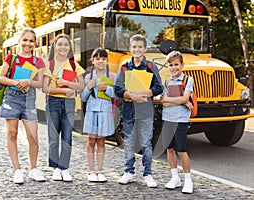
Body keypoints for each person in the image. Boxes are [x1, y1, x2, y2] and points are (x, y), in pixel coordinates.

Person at [114, 34, 163, 187]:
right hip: (129, 111)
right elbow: (117, 88)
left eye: (140, 47)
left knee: (146, 143)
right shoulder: (124, 67)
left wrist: (145, 93)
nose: (137, 49)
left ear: (145, 49)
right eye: (134, 47)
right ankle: (129, 171)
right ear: (130, 49)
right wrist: (132, 96)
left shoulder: (150, 67)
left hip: (146, 111)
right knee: (129, 142)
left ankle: (148, 174)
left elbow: (158, 87)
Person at [0, 28, 46, 184]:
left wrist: (29, 82)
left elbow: (41, 83)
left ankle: (33, 169)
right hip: (11, 99)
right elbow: (1, 78)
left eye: (31, 41)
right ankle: (17, 170)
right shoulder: (11, 58)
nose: (28, 43)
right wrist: (16, 83)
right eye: (25, 40)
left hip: (29, 100)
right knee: (12, 133)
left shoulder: (38, 62)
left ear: (35, 44)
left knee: (33, 135)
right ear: (19, 41)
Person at [42, 34, 85, 182]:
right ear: (55, 46)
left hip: (69, 104)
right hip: (53, 102)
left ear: (70, 47)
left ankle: (64, 168)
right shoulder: (50, 65)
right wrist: (63, 91)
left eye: (66, 44)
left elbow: (81, 85)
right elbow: (45, 88)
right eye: (60, 44)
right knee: (53, 138)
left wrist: (68, 84)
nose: (63, 47)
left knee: (67, 137)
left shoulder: (74, 65)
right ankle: (55, 169)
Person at [80, 48, 118, 182]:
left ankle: (100, 171)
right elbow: (83, 98)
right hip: (91, 112)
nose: (100, 61)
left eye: (103, 59)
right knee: (91, 140)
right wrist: (88, 87)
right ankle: (91, 171)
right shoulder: (88, 77)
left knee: (101, 141)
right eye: (97, 59)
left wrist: (107, 89)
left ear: (107, 61)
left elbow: (116, 95)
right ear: (93, 61)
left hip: (105, 113)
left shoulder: (112, 76)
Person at [160, 51, 194, 194]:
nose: (174, 67)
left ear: (182, 65)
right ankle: (175, 177)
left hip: (180, 120)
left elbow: (185, 99)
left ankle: (188, 180)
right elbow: (164, 103)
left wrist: (172, 99)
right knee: (170, 149)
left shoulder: (188, 80)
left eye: (176, 64)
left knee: (181, 150)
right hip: (167, 119)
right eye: (171, 65)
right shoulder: (167, 82)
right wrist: (179, 101)